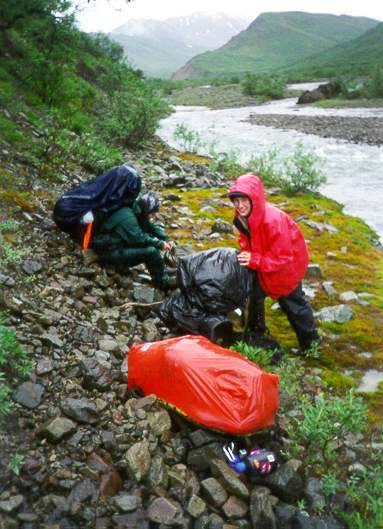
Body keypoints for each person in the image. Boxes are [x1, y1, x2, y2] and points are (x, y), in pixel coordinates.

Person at [227, 173, 321, 355]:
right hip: (263, 268)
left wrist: (254, 260)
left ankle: (311, 345)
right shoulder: (243, 217)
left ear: (254, 198)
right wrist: (248, 255)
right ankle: (256, 332)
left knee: (295, 308)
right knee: (251, 296)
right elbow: (245, 239)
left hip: (287, 271)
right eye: (236, 201)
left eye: (243, 200)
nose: (239, 205)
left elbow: (283, 256)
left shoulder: (273, 220)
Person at [92, 192, 176, 290]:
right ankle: (163, 282)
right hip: (109, 253)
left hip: (117, 245)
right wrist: (161, 244)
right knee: (151, 251)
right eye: (152, 213)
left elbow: (151, 226)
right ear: (146, 210)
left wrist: (166, 238)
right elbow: (139, 238)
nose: (153, 216)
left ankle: (161, 269)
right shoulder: (128, 217)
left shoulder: (135, 210)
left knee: (151, 244)